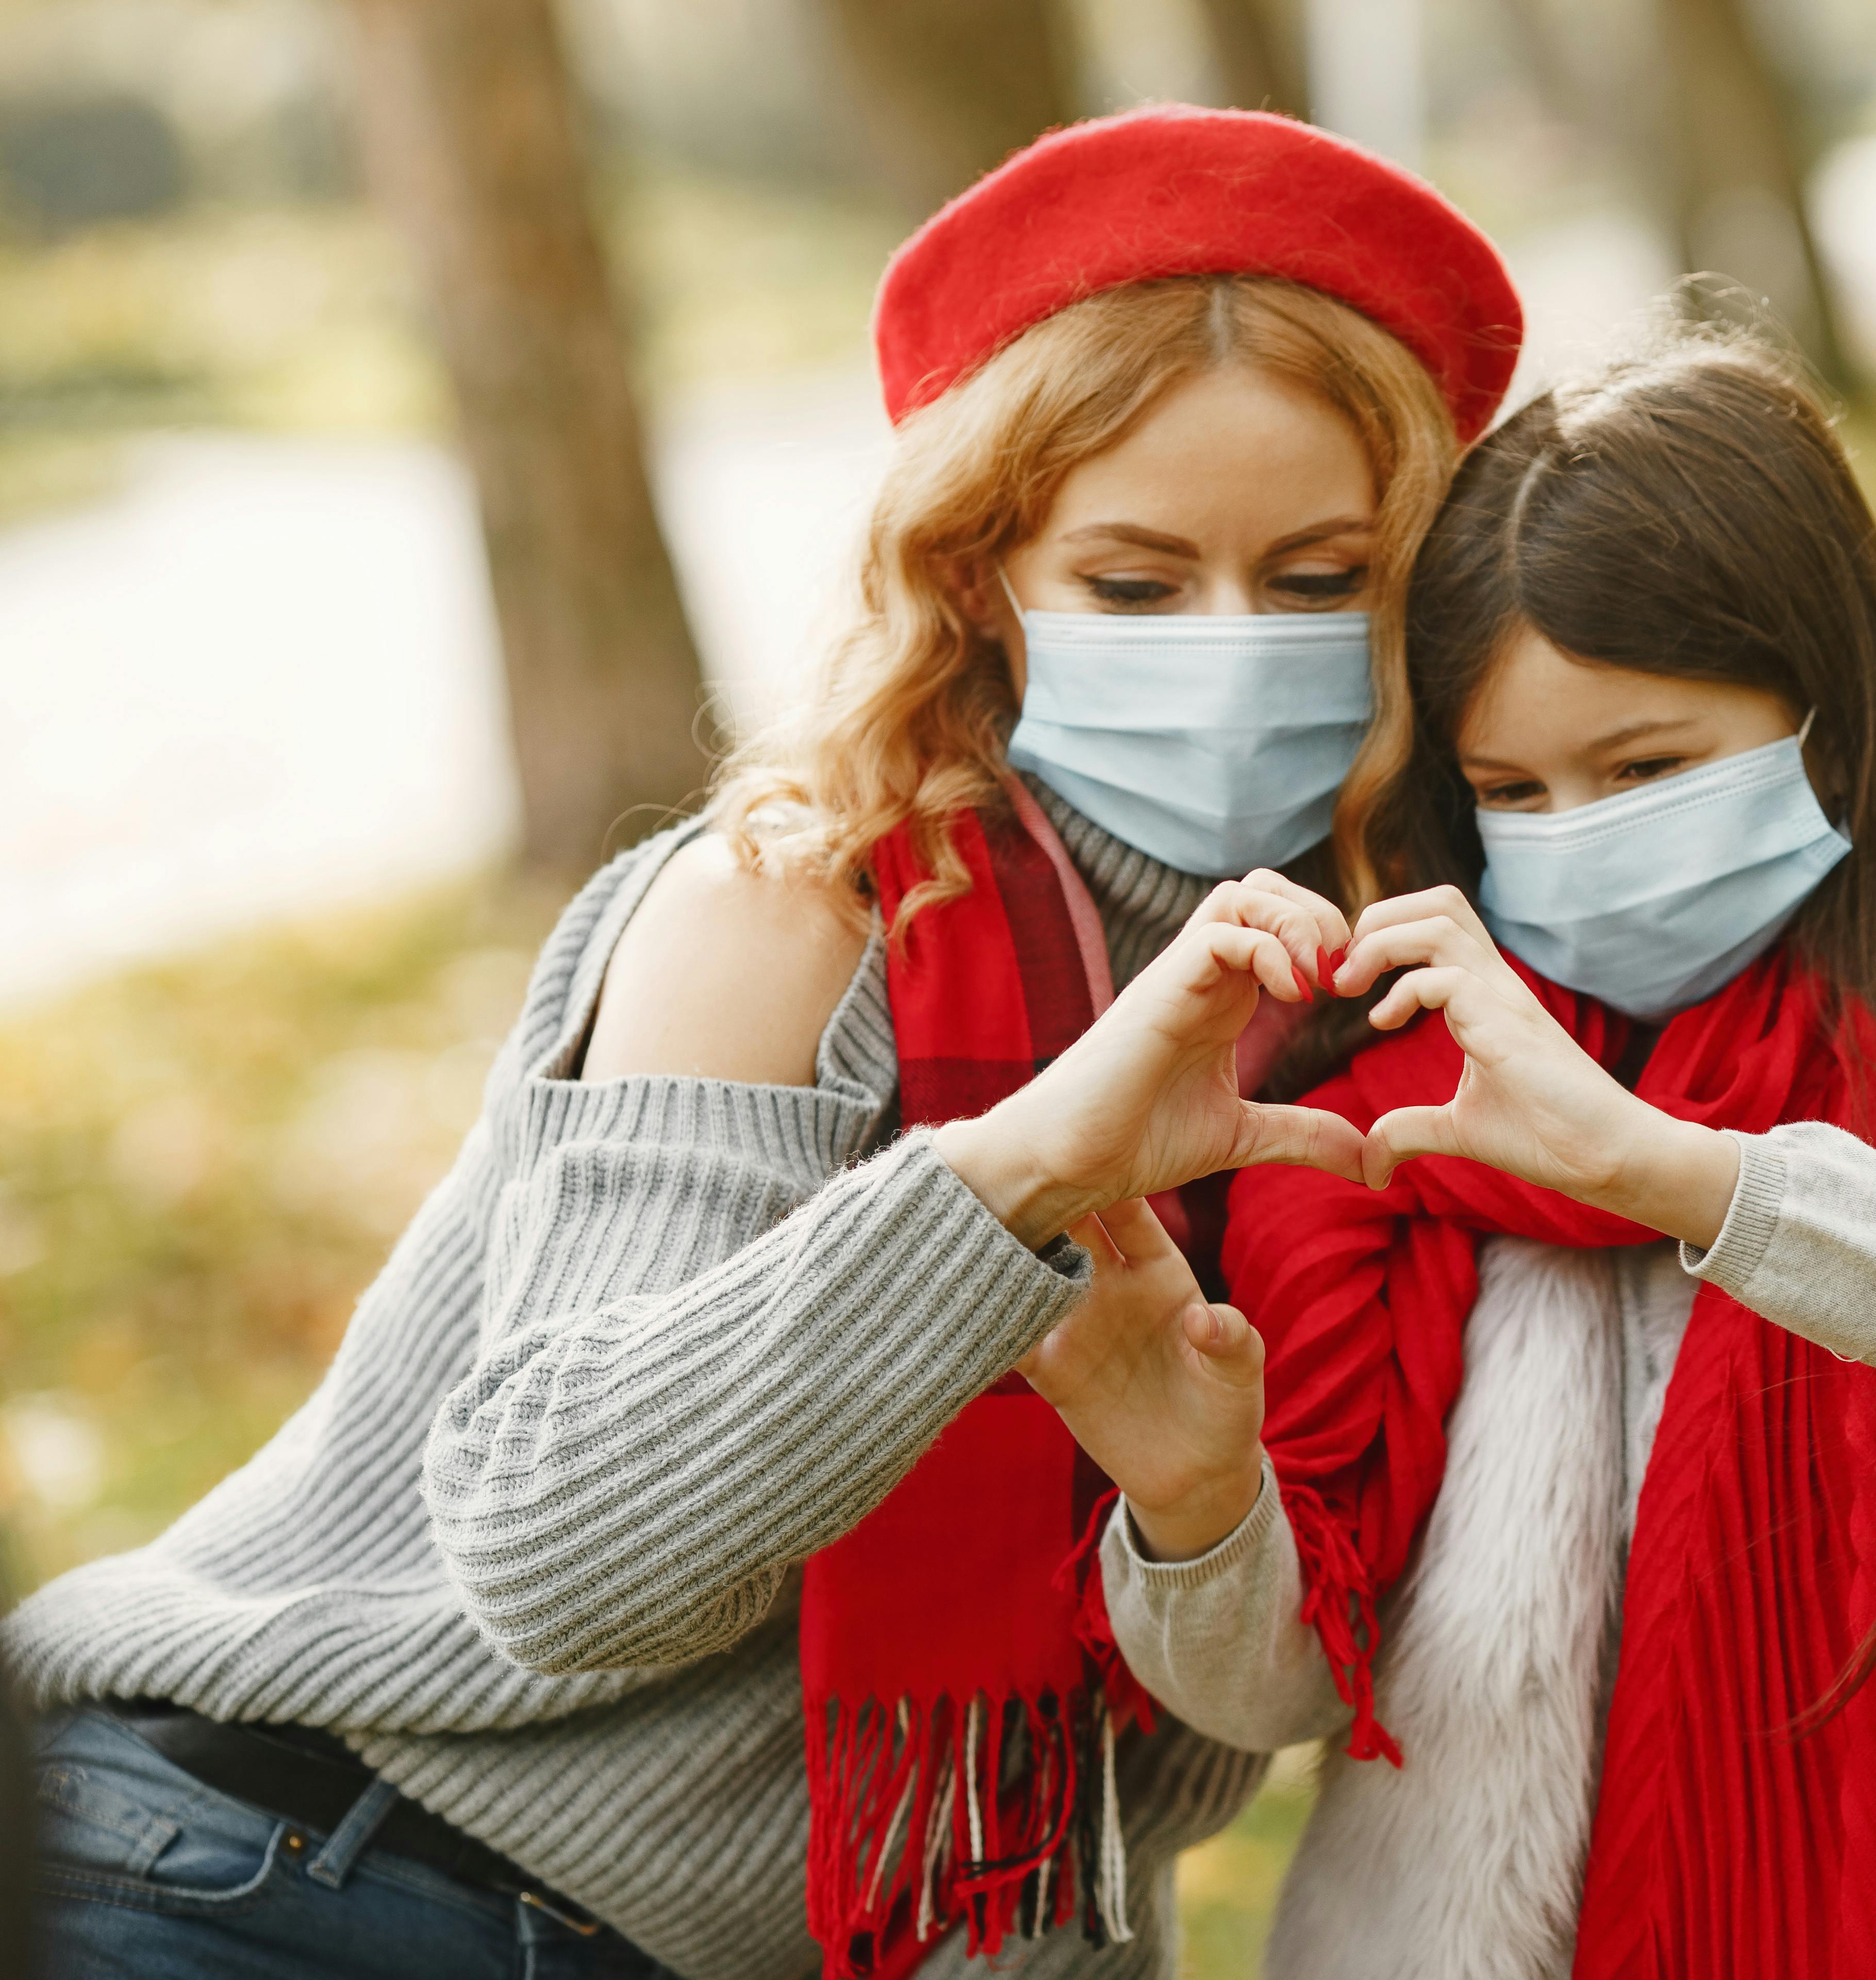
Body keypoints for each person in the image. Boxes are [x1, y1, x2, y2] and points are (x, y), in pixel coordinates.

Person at [4, 106, 1519, 1980]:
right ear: (982, 574)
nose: (1233, 644)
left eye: (1318, 581)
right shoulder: (790, 911)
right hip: (289, 1872)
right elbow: (562, 1564)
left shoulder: (1404, 1027)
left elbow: (1157, 1775)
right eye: (1134, 585)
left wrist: (1196, 1499)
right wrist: (1026, 1168)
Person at [1043, 332, 1876, 1979]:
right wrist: (1196, 1504)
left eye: (1646, 770)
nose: (1577, 837)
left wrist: (1686, 1177)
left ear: (1833, 726)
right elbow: (1294, 1691)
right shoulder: (1399, 1109)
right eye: (1514, 792)